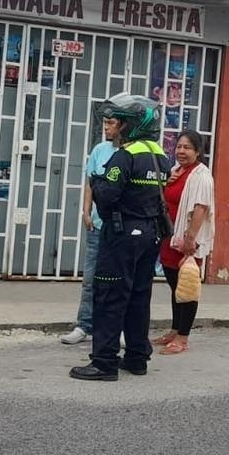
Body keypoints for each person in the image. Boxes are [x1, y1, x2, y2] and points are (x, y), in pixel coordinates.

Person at [69, 93, 172, 382]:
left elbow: (108, 196)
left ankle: (104, 362)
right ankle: (137, 358)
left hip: (122, 235)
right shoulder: (159, 156)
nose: (112, 126)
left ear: (130, 125)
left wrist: (98, 181)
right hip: (150, 236)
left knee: (109, 296)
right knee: (139, 298)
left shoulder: (124, 156)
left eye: (118, 122)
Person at [152, 130, 214, 355]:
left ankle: (183, 338)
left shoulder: (201, 175)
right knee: (174, 286)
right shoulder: (176, 172)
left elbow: (201, 208)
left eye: (187, 147)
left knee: (187, 288)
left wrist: (191, 239)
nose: (181, 151)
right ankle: (175, 329)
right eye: (178, 147)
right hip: (171, 237)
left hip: (187, 241)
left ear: (198, 151)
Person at [60, 119, 118, 345]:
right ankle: (84, 324)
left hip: (119, 228)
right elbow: (90, 184)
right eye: (105, 123)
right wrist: (86, 211)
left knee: (118, 281)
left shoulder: (130, 153)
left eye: (111, 123)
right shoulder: (99, 150)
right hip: (97, 225)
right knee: (90, 278)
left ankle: (115, 327)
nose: (106, 127)